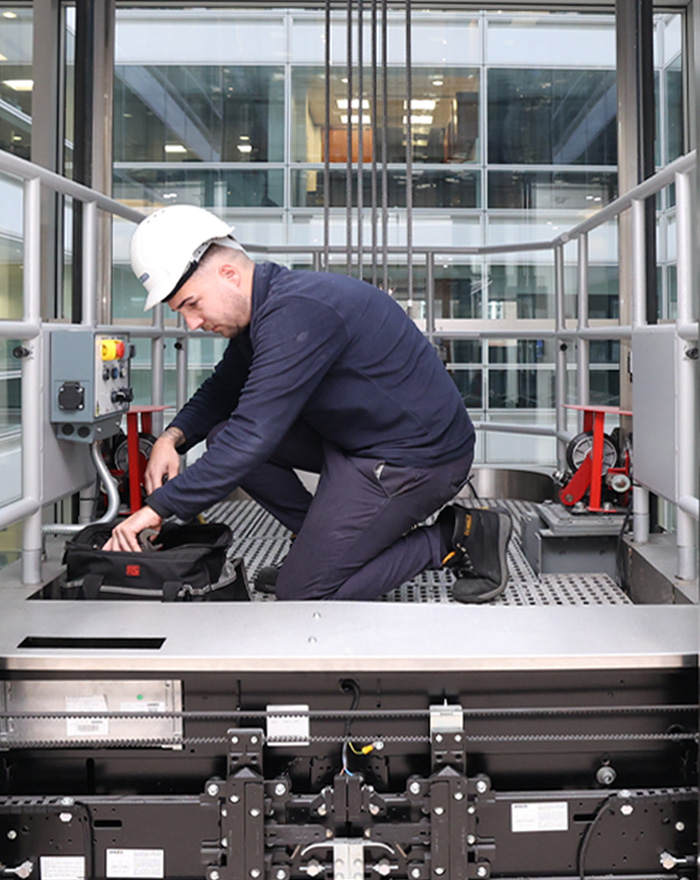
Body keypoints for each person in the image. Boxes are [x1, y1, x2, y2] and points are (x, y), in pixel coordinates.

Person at [104, 205, 512, 603]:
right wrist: (171, 439)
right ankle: (317, 551)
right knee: (220, 435)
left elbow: (253, 435)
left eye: (192, 304)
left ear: (228, 274)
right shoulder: (265, 311)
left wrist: (158, 509)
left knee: (304, 592)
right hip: (360, 442)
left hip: (417, 462)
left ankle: (458, 536)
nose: (192, 324)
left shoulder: (297, 313)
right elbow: (222, 391)